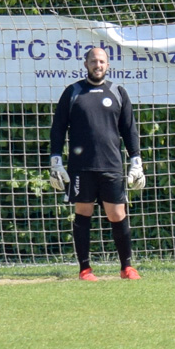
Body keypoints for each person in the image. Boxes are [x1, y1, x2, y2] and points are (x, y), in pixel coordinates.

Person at [48, 45, 145, 281]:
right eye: (93, 61)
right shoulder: (73, 92)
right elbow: (58, 128)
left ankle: (127, 267)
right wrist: (55, 160)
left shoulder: (117, 92)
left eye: (101, 61)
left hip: (111, 165)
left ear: (107, 65)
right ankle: (85, 269)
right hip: (81, 167)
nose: (97, 65)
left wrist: (136, 161)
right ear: (86, 64)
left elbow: (129, 129)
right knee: (83, 212)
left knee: (117, 214)